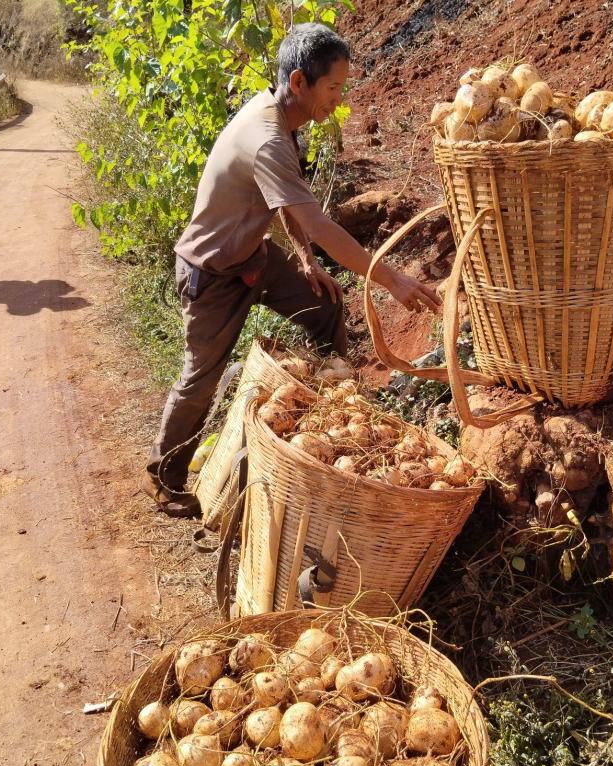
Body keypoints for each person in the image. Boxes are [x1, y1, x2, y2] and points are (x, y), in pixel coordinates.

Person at [142, 23, 440, 517]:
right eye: (333, 88)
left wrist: (303, 261)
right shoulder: (268, 138)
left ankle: (333, 410)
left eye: (342, 87)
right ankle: (163, 478)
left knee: (326, 306)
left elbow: (285, 203)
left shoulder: (281, 121)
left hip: (252, 257)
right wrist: (392, 279)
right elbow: (317, 223)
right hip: (211, 271)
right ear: (299, 82)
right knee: (201, 377)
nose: (338, 99)